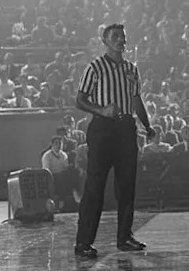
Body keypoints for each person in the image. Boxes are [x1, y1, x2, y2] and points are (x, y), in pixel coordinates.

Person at [73, 24, 155, 259]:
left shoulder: (131, 69)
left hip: (126, 127)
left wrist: (147, 126)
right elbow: (80, 100)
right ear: (105, 41)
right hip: (103, 128)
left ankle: (124, 237)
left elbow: (137, 99)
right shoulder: (95, 67)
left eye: (123, 37)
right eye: (116, 37)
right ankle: (83, 242)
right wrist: (101, 110)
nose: (121, 40)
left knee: (127, 184)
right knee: (95, 185)